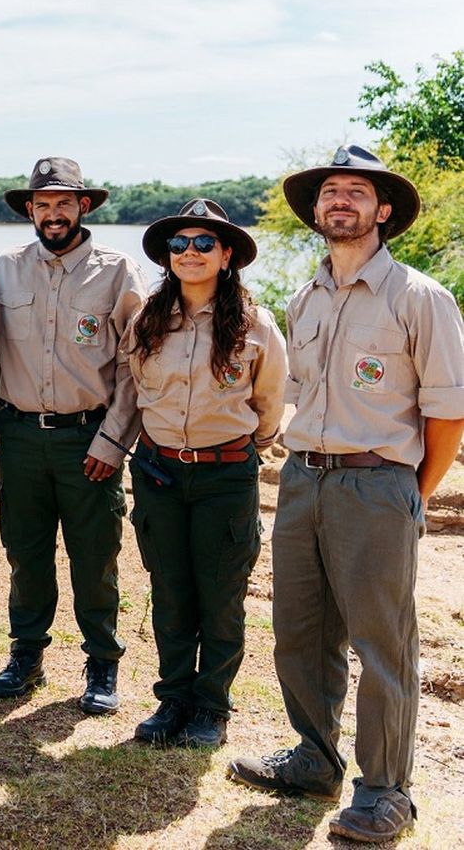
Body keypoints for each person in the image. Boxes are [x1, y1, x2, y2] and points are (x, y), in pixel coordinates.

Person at [228, 146, 464, 843]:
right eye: (330, 191)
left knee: (381, 642)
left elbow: (447, 416)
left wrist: (406, 494)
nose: (340, 201)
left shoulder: (420, 298)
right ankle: (313, 759)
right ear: (316, 211)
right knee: (301, 631)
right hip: (305, 480)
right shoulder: (305, 298)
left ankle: (386, 791)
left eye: (356, 191)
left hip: (377, 483)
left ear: (382, 211)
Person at [0, 157, 147, 714]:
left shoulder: (118, 271)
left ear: (84, 206)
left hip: (89, 439)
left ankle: (102, 664)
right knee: (25, 553)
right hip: (22, 438)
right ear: (30, 209)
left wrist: (113, 441)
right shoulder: (2, 270)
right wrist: (0, 421)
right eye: (43, 204)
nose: (53, 214)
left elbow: (134, 366)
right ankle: (26, 656)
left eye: (64, 203)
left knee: (94, 556)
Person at [120, 199, 285, 747]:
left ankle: (211, 708)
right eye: (178, 244)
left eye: (203, 243)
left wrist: (243, 448)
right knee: (169, 590)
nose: (190, 253)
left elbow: (270, 403)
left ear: (227, 254)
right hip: (159, 472)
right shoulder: (148, 319)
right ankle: (173, 700)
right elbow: (136, 391)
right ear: (168, 257)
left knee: (220, 594)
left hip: (225, 476)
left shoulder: (255, 323)